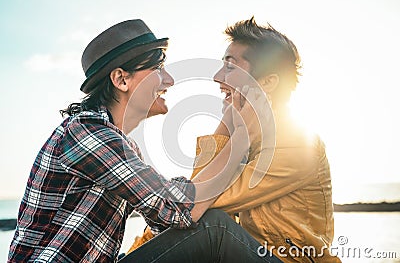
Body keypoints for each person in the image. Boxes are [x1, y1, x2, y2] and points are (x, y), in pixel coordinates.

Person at [7, 19, 281, 263]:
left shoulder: (120, 144)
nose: (169, 79)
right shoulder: (87, 134)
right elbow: (181, 210)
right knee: (215, 229)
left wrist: (233, 133)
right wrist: (243, 137)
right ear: (121, 79)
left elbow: (167, 215)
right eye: (158, 69)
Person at [129, 17, 341, 263]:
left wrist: (227, 124)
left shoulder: (295, 143)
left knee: (214, 226)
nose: (217, 77)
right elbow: (194, 199)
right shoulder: (247, 135)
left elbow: (197, 202)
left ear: (268, 82)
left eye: (230, 67)